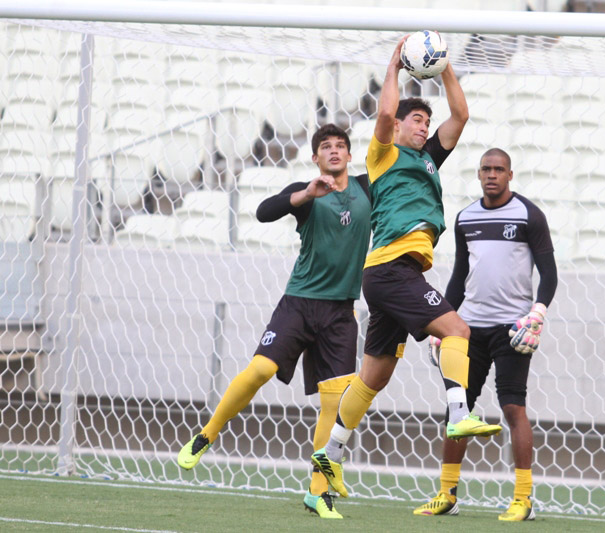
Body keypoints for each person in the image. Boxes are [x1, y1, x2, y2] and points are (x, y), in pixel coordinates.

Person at [310, 36, 502, 500]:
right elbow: (381, 116)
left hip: (391, 274)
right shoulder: (384, 155)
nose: (424, 127)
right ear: (397, 127)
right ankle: (459, 412)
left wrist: (447, 68)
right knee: (458, 329)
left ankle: (329, 453)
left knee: (374, 374)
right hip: (393, 268)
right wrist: (393, 68)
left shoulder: (428, 159)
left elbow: (461, 117)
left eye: (425, 122)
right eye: (417, 121)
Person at [177, 124, 371, 520]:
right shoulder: (308, 190)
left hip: (341, 313)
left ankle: (318, 493)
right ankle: (206, 434)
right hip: (299, 304)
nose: (333, 152)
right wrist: (304, 194)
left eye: (340, 146)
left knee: (333, 406)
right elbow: (264, 212)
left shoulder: (369, 188)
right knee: (260, 369)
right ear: (315, 158)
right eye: (325, 147)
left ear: (350, 156)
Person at [413, 148, 558, 521]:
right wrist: (439, 322)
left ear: (511, 174)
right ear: (478, 174)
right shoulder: (465, 219)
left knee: (513, 408)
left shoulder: (529, 215)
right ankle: (447, 494)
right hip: (469, 329)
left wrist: (537, 313)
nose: (492, 175)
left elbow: (549, 272)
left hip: (513, 329)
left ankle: (523, 499)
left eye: (499, 169)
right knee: (457, 411)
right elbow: (460, 276)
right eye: (485, 169)